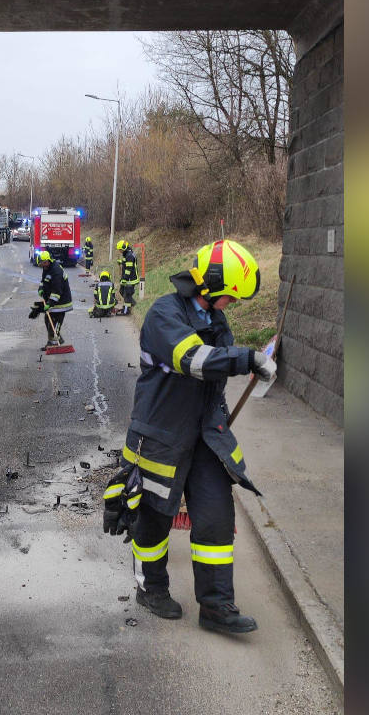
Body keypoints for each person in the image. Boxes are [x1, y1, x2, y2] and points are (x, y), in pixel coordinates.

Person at [103, 239, 276, 635]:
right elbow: (192, 360)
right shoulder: (165, 314)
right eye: (231, 296)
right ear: (212, 287)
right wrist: (247, 358)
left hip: (205, 437)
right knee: (154, 519)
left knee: (215, 518)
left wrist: (248, 365)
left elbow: (218, 367)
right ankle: (152, 588)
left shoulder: (218, 322)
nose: (233, 304)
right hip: (161, 435)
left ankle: (216, 607)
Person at [28, 250, 72, 349]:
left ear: (47, 261)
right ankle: (54, 341)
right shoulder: (46, 267)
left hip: (61, 302)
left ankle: (53, 343)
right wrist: (41, 289)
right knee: (48, 320)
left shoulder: (56, 271)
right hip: (52, 300)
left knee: (55, 323)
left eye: (42, 264)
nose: (41, 266)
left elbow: (57, 290)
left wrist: (50, 303)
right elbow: (44, 281)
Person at [117, 239, 140, 315]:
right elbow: (126, 263)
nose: (119, 251)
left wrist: (124, 279)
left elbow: (128, 269)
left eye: (120, 249)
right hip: (127, 278)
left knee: (127, 295)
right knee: (122, 291)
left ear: (123, 248)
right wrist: (121, 262)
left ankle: (127, 310)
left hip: (130, 279)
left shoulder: (129, 255)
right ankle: (132, 305)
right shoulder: (127, 253)